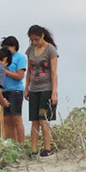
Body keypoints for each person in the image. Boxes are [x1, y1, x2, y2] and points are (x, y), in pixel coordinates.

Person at [25, 25, 60, 157]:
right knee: (34, 120)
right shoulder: (30, 50)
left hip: (46, 88)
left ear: (42, 36)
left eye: (36, 39)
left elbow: (54, 73)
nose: (34, 42)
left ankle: (47, 148)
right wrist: (26, 88)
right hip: (34, 88)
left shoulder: (50, 50)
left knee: (43, 119)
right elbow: (29, 70)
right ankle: (34, 150)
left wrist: (54, 93)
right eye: (31, 40)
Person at [0, 36, 27, 144]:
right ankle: (10, 144)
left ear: (14, 47)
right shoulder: (4, 58)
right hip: (5, 91)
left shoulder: (20, 58)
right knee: (7, 120)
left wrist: (6, 71)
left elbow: (20, 76)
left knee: (16, 119)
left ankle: (20, 144)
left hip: (15, 91)